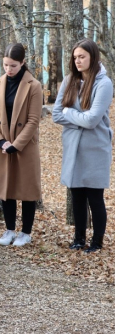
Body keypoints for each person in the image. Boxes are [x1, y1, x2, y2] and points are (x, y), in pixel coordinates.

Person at [52, 39, 113, 253]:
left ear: (92, 57)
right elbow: (56, 115)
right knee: (76, 194)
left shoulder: (104, 83)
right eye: (75, 57)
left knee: (94, 196)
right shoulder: (70, 80)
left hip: (96, 147)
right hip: (73, 146)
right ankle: (78, 239)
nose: (77, 61)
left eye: (82, 57)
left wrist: (71, 113)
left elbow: (92, 120)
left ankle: (96, 242)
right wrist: (78, 117)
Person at [0, 43, 42, 247]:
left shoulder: (33, 86)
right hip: (2, 144)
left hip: (24, 146)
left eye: (13, 65)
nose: (8, 69)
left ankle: (26, 232)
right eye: (5, 65)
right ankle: (9, 229)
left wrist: (16, 145)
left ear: (23, 63)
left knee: (27, 189)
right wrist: (0, 141)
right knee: (5, 188)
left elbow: (34, 120)